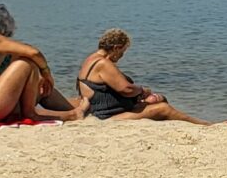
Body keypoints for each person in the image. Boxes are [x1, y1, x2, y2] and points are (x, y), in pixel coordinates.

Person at [75, 29, 205, 124]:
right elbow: (126, 90)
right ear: (116, 48)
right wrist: (143, 90)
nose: (122, 56)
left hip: (105, 110)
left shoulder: (91, 59)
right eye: (122, 51)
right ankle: (205, 125)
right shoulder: (103, 63)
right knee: (163, 108)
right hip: (107, 116)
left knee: (160, 99)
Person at [0, 2, 73, 114]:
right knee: (36, 78)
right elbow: (34, 53)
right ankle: (73, 109)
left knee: (39, 84)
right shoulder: (5, 48)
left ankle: (75, 106)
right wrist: (46, 73)